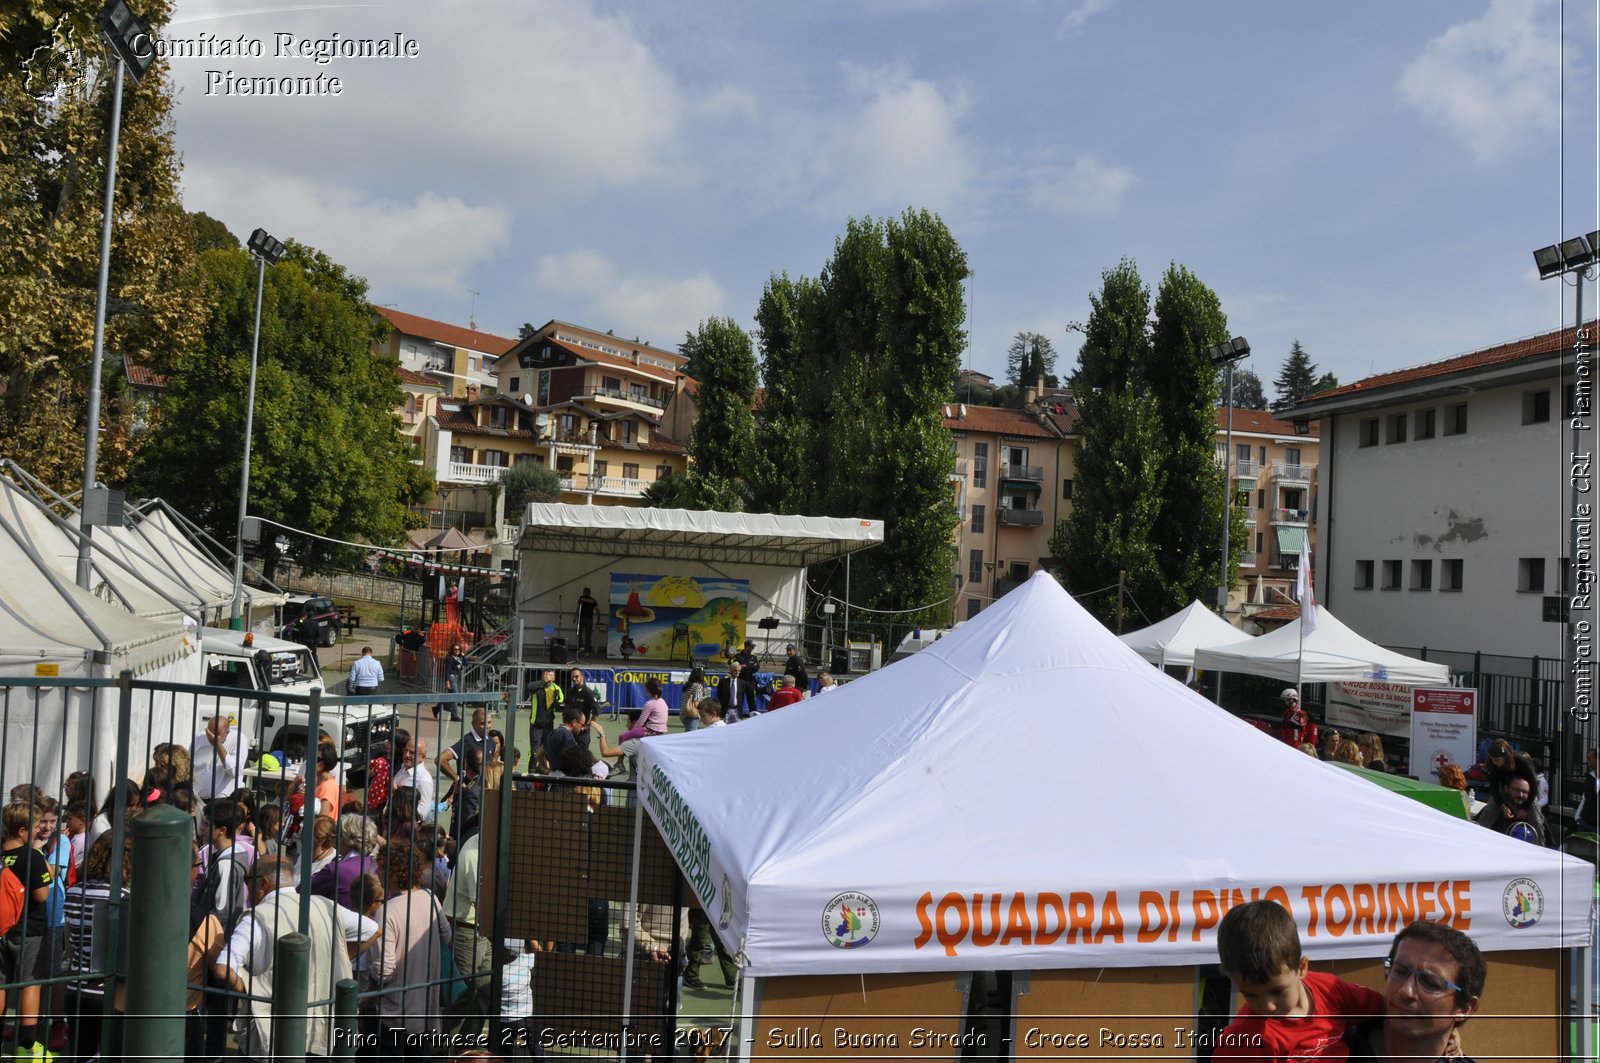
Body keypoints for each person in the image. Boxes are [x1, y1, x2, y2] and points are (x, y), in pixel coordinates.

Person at [213, 856, 377, 1059]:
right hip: (322, 1027)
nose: (247, 888)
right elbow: (372, 929)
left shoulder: (257, 917)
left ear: (263, 882)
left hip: (272, 1032)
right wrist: (340, 956)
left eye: (248, 881)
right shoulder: (324, 905)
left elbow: (223, 969)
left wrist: (253, 987)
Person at [1212, 899, 1383, 1062]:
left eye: (1277, 991)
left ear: (1301, 968)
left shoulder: (1330, 990)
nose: (1267, 1006)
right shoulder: (1243, 1042)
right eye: (1251, 995)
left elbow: (1382, 1007)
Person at [1341, 921, 1485, 1063]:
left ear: (1465, 1009)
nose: (1406, 991)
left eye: (1429, 983)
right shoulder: (1326, 1049)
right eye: (1400, 971)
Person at [372, 839, 449, 1058]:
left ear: (396, 872)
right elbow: (447, 935)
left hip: (394, 1014)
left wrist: (368, 990)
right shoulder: (431, 898)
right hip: (426, 1009)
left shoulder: (388, 911)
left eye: (383, 867)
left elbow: (383, 971)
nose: (377, 871)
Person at [0, 803, 54, 1058]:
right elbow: (42, 896)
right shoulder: (31, 856)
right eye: (34, 827)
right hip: (29, 929)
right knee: (30, 984)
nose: (38, 831)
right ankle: (27, 1046)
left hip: (2, 929)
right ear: (22, 830)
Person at [192, 714, 250, 803]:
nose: (211, 737)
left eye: (217, 734)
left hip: (225, 798)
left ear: (227, 732)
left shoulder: (239, 739)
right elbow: (188, 762)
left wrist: (218, 745)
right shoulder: (199, 738)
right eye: (209, 733)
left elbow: (235, 771)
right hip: (198, 796)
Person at [1474, 774, 1546, 845]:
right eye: (1517, 790)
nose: (1520, 795)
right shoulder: (1493, 811)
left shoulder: (1535, 817)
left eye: (1525, 792)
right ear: (1506, 789)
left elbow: (1549, 846)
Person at [528, 668, 564, 753]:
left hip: (549, 725)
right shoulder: (537, 687)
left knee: (547, 751)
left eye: (553, 676)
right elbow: (529, 686)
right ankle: (532, 767)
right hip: (536, 725)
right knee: (535, 752)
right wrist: (542, 682)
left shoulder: (556, 688)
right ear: (544, 675)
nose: (552, 678)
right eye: (550, 675)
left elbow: (561, 700)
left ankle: (545, 766)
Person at [565, 667, 601, 750]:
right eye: (572, 677)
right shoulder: (570, 691)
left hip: (582, 731)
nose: (574, 679)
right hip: (570, 729)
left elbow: (596, 710)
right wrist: (565, 720)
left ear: (582, 677)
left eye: (576, 676)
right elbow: (566, 706)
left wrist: (588, 726)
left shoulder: (588, 693)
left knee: (582, 755)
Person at [437, 643, 467, 721]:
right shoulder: (450, 658)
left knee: (451, 697)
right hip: (451, 678)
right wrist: (447, 681)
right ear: (452, 650)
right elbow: (447, 670)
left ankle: (439, 706)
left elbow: (466, 664)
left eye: (458, 649)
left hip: (456, 678)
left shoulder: (459, 658)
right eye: (455, 649)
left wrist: (463, 656)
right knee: (455, 696)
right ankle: (454, 716)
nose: (457, 651)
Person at [1576, 748, 1599, 832]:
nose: (1587, 761)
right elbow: (1585, 798)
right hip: (1585, 821)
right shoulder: (1589, 778)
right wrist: (1578, 816)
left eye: (1589, 759)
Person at [574, 587, 599, 654]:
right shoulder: (593, 600)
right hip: (589, 620)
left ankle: (581, 647)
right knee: (588, 635)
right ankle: (587, 650)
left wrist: (575, 617)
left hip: (581, 618)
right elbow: (597, 610)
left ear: (585, 592)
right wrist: (598, 619)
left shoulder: (582, 598)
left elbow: (578, 608)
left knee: (579, 632)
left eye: (583, 592)